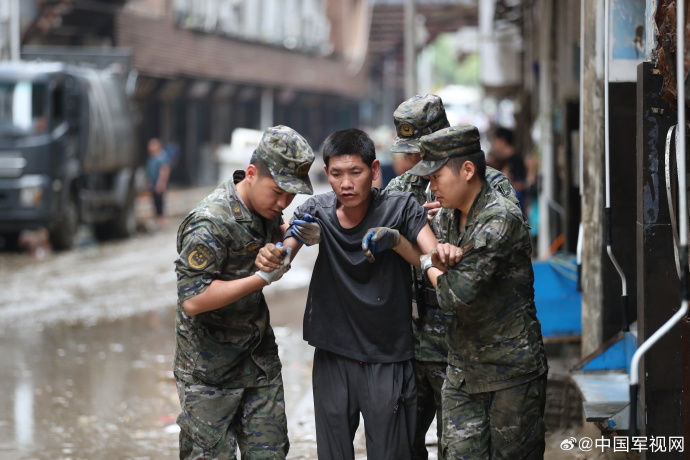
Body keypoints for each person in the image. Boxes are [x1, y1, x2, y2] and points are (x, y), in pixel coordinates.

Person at [255, 128, 456, 460]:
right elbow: (283, 255)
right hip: (333, 352)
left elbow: (430, 259)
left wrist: (411, 249)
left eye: (355, 172)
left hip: (388, 355)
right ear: (327, 175)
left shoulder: (401, 208)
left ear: (374, 171)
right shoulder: (316, 211)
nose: (345, 183)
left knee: (390, 453)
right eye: (336, 174)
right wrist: (274, 255)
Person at [385, 94, 520, 460]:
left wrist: (433, 236)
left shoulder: (490, 187)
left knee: (459, 446)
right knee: (401, 442)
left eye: (420, 151)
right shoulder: (399, 190)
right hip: (411, 340)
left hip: (463, 340)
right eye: (408, 151)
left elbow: (488, 252)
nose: (412, 161)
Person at [173, 125, 315, 459]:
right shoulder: (209, 222)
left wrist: (294, 239)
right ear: (251, 174)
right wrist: (261, 278)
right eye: (277, 191)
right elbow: (193, 299)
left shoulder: (266, 208)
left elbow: (282, 237)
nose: (282, 201)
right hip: (210, 372)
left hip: (258, 362)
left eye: (290, 195)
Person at [410, 125, 548, 459]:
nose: (431, 187)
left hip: (511, 373)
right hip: (462, 371)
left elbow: (453, 294)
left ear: (468, 170)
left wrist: (427, 257)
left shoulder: (500, 218)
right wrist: (433, 257)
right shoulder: (445, 218)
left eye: (437, 177)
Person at [487, 126, 527, 211]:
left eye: (495, 141)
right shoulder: (499, 160)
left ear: (502, 141)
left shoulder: (516, 160)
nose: (493, 144)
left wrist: (504, 180)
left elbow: (522, 185)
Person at [146, 138, 171, 230]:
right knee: (155, 202)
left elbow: (164, 170)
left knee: (160, 201)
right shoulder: (152, 157)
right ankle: (158, 219)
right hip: (153, 184)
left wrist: (161, 183)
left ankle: (162, 220)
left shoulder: (162, 156)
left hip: (158, 183)